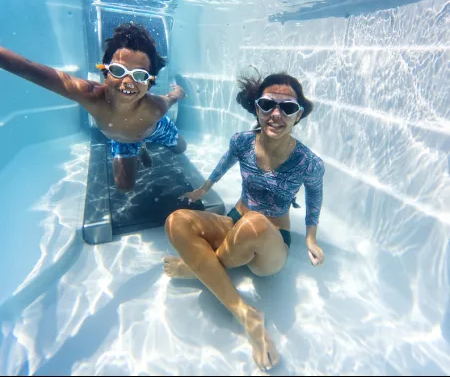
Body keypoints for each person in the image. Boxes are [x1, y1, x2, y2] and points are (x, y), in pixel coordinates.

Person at [163, 72, 325, 371]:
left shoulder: (309, 163)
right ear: (257, 108)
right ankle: (245, 311)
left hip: (270, 240)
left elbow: (315, 196)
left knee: (255, 222)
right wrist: (203, 190)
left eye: (287, 108)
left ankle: (199, 267)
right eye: (267, 105)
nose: (276, 114)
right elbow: (224, 162)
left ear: (298, 115)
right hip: (234, 221)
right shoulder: (242, 142)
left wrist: (310, 238)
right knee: (176, 222)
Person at [0, 22, 186, 191]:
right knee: (124, 187)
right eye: (118, 70)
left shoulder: (155, 108)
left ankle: (143, 144)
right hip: (122, 140)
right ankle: (139, 147)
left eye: (139, 75)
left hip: (155, 129)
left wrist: (178, 91)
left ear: (149, 82)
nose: (128, 82)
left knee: (181, 149)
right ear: (105, 72)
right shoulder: (91, 96)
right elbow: (28, 68)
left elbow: (171, 98)